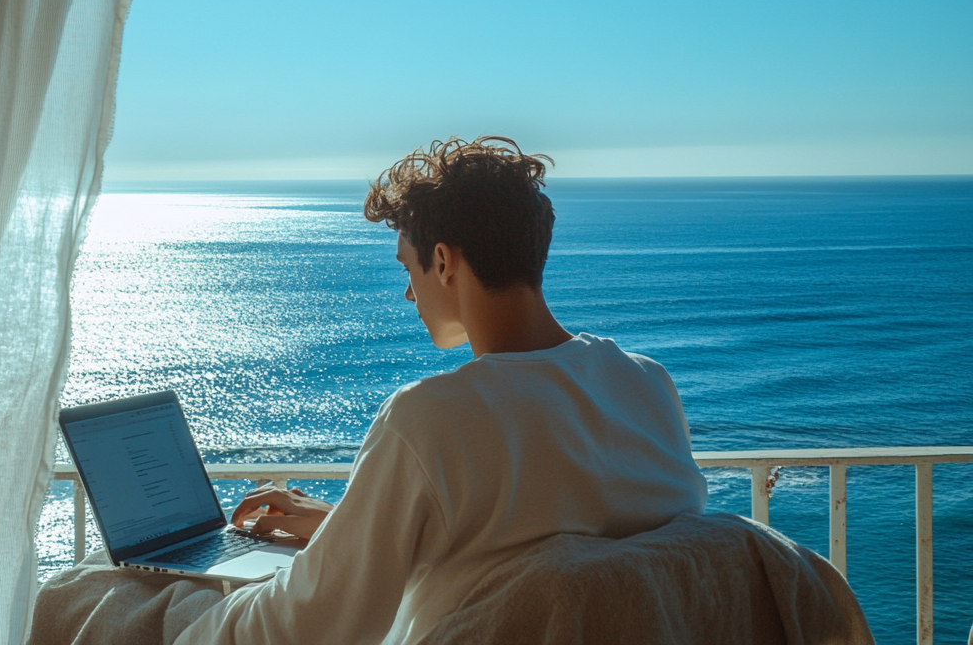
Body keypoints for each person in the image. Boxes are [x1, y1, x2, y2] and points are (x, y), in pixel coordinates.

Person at [175, 136, 708, 645]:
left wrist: (181, 623)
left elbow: (308, 626)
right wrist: (348, 535)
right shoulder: (646, 384)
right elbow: (551, 534)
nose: (410, 293)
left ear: (445, 262)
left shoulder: (429, 419)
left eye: (410, 268)